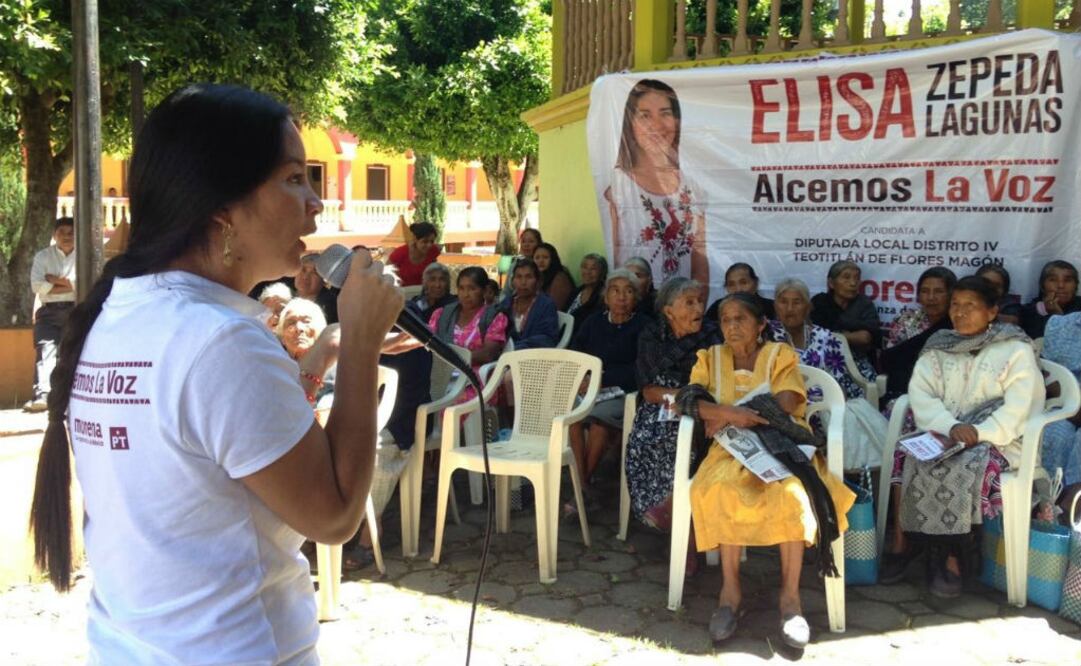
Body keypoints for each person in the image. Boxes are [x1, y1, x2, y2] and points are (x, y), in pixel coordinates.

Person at [28, 84, 404, 663]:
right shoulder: (221, 340)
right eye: (294, 177)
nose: (315, 203)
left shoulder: (120, 313)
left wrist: (324, 354)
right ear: (222, 207)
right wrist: (361, 343)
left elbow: (222, 446)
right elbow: (333, 515)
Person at [683, 293, 855, 648]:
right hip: (730, 450)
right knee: (719, 490)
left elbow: (790, 400)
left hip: (780, 445)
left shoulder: (780, 355)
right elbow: (690, 400)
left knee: (791, 495)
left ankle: (790, 601)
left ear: (761, 325)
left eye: (740, 319)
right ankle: (730, 595)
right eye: (726, 319)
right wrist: (729, 416)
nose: (731, 326)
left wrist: (732, 412)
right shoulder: (710, 358)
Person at [883, 276, 1043, 597]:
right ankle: (909, 542)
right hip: (945, 431)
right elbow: (922, 394)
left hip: (999, 438)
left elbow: (1021, 406)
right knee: (909, 453)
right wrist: (949, 426)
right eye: (955, 305)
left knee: (956, 465)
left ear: (992, 312)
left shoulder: (1015, 349)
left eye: (971, 306)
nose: (960, 312)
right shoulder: (939, 345)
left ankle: (951, 555)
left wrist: (978, 433)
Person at [624, 277, 717, 531]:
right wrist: (679, 394)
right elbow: (649, 389)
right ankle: (659, 516)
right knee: (644, 443)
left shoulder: (712, 334)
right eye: (689, 303)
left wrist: (689, 399)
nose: (698, 309)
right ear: (668, 311)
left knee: (681, 441)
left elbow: (714, 384)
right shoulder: (652, 335)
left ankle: (680, 523)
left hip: (702, 407)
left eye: (700, 301)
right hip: (659, 406)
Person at [772, 278, 887, 470]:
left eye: (797, 302)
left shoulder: (825, 337)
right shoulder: (767, 336)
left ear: (808, 307)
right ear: (776, 306)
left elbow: (839, 381)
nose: (789, 308)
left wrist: (824, 400)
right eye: (783, 302)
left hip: (823, 407)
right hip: (785, 407)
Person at [604, 79, 708, 286]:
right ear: (630, 123)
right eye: (645, 116)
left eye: (665, 113)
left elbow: (700, 264)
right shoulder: (618, 188)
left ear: (677, 121)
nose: (656, 125)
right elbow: (615, 261)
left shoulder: (693, 186)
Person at [568, 269, 647, 499]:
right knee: (572, 417)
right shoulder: (594, 322)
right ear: (606, 297)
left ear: (636, 298)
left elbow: (640, 369)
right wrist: (584, 377)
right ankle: (583, 484)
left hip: (623, 393)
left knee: (598, 423)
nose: (621, 297)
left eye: (628, 291)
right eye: (615, 291)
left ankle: (581, 486)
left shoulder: (644, 326)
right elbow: (575, 352)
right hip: (590, 389)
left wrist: (604, 378)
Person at [429, 267, 509, 402]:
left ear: (483, 291)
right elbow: (428, 344)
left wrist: (453, 358)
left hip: (475, 379)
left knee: (454, 405)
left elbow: (488, 354)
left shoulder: (494, 317)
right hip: (442, 374)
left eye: (472, 289)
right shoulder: (441, 314)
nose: (466, 294)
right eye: (461, 288)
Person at [880, 267, 957, 405]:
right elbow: (889, 360)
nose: (931, 297)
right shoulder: (906, 319)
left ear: (951, 295)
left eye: (938, 291)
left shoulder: (959, 323)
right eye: (925, 291)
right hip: (905, 392)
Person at [26, 217, 76, 412]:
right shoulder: (42, 257)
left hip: (75, 310)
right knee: (45, 350)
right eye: (62, 232)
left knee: (70, 353)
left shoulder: (84, 255)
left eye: (71, 232)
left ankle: (69, 397)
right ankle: (43, 395)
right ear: (55, 235)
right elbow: (37, 286)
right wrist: (68, 285)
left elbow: (83, 285)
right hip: (48, 312)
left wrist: (53, 281)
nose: (66, 236)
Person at [1037, 312, 1081, 514]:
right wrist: (1069, 400)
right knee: (1056, 432)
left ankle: (1071, 507)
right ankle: (1046, 505)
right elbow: (1046, 376)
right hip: (1062, 404)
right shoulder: (1060, 325)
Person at [809, 260, 879, 381]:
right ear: (831, 283)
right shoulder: (819, 303)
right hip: (822, 361)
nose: (853, 283)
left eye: (857, 278)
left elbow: (865, 338)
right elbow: (813, 335)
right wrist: (849, 335)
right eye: (846, 277)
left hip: (857, 363)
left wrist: (829, 335)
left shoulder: (864, 304)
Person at [499, 257, 559, 350]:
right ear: (513, 281)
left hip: (532, 357)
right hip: (505, 353)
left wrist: (516, 347)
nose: (523, 282)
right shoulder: (507, 303)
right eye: (519, 277)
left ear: (537, 281)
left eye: (529, 277)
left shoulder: (546, 305)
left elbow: (548, 339)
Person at [1020, 260, 1081, 339]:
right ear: (1042, 285)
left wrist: (1058, 315)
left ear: (1076, 286)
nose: (1061, 285)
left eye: (1067, 280)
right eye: (1053, 280)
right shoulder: (1028, 311)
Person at [705, 263, 775, 323]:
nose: (738, 289)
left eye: (743, 283)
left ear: (756, 283)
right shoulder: (717, 308)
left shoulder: (772, 307)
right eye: (731, 284)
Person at [388, 221, 441, 287]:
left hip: (425, 292)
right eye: (425, 241)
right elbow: (387, 272)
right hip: (403, 292)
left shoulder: (434, 250)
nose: (429, 245)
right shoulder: (400, 253)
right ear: (415, 239)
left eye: (432, 241)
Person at [294, 252, 339, 323]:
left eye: (315, 273)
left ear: (325, 281)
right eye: (303, 270)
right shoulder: (283, 294)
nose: (305, 277)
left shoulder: (331, 307)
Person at [567, 253, 608, 329]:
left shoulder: (602, 297)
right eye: (585, 267)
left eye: (593, 269)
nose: (587, 272)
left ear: (602, 272)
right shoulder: (576, 292)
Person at [533, 242, 576, 311]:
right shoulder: (539, 277)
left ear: (552, 259)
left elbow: (554, 308)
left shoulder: (560, 279)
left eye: (545, 257)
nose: (541, 261)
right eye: (537, 258)